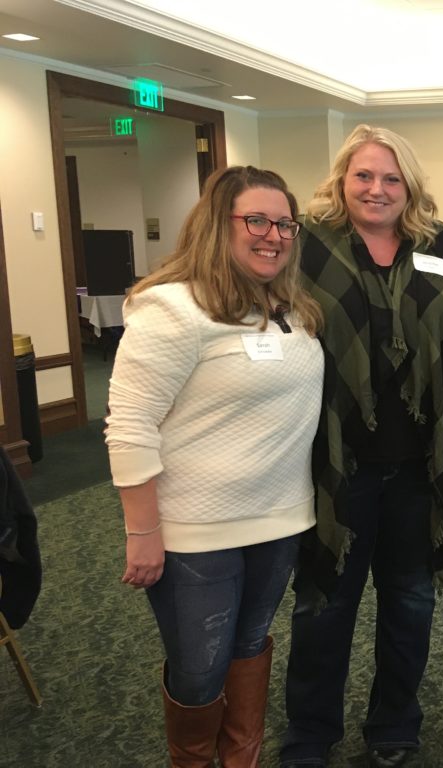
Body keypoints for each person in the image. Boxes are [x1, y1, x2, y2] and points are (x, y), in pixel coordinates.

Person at [105, 165, 324, 767]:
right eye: (255, 219)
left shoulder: (292, 307)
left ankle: (242, 759)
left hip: (279, 521)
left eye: (284, 223)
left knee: (250, 647)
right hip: (194, 533)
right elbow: (128, 424)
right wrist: (142, 531)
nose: (273, 234)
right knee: (200, 673)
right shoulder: (172, 307)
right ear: (215, 224)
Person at [279, 125, 443, 768]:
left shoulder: (438, 242)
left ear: (409, 186)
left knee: (410, 602)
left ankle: (395, 722)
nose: (377, 189)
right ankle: (311, 732)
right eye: (363, 176)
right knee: (324, 602)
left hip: (420, 460)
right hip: (336, 460)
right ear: (342, 180)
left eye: (392, 179)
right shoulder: (309, 245)